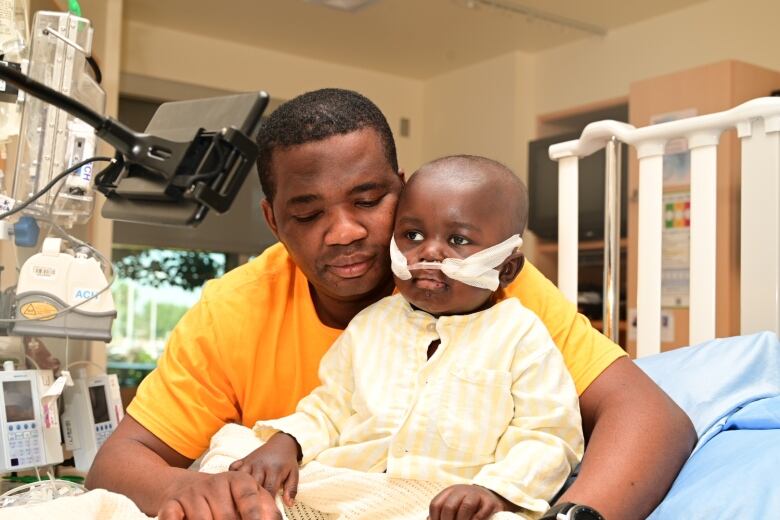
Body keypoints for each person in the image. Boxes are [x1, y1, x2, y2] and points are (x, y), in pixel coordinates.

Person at [86, 88, 696, 520]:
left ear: (403, 189)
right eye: (308, 212)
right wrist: (195, 490)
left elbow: (650, 419)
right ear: (273, 220)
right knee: (232, 446)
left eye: (370, 199)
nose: (345, 230)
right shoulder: (232, 310)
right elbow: (119, 462)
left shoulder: (488, 288)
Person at [229, 155, 584, 520]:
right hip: (352, 491)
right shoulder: (370, 325)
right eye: (412, 236)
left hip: (446, 505)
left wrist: (493, 491)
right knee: (231, 450)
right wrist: (288, 443)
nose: (428, 252)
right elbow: (330, 406)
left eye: (458, 239)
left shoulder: (520, 336)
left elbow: (549, 435)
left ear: (506, 268)